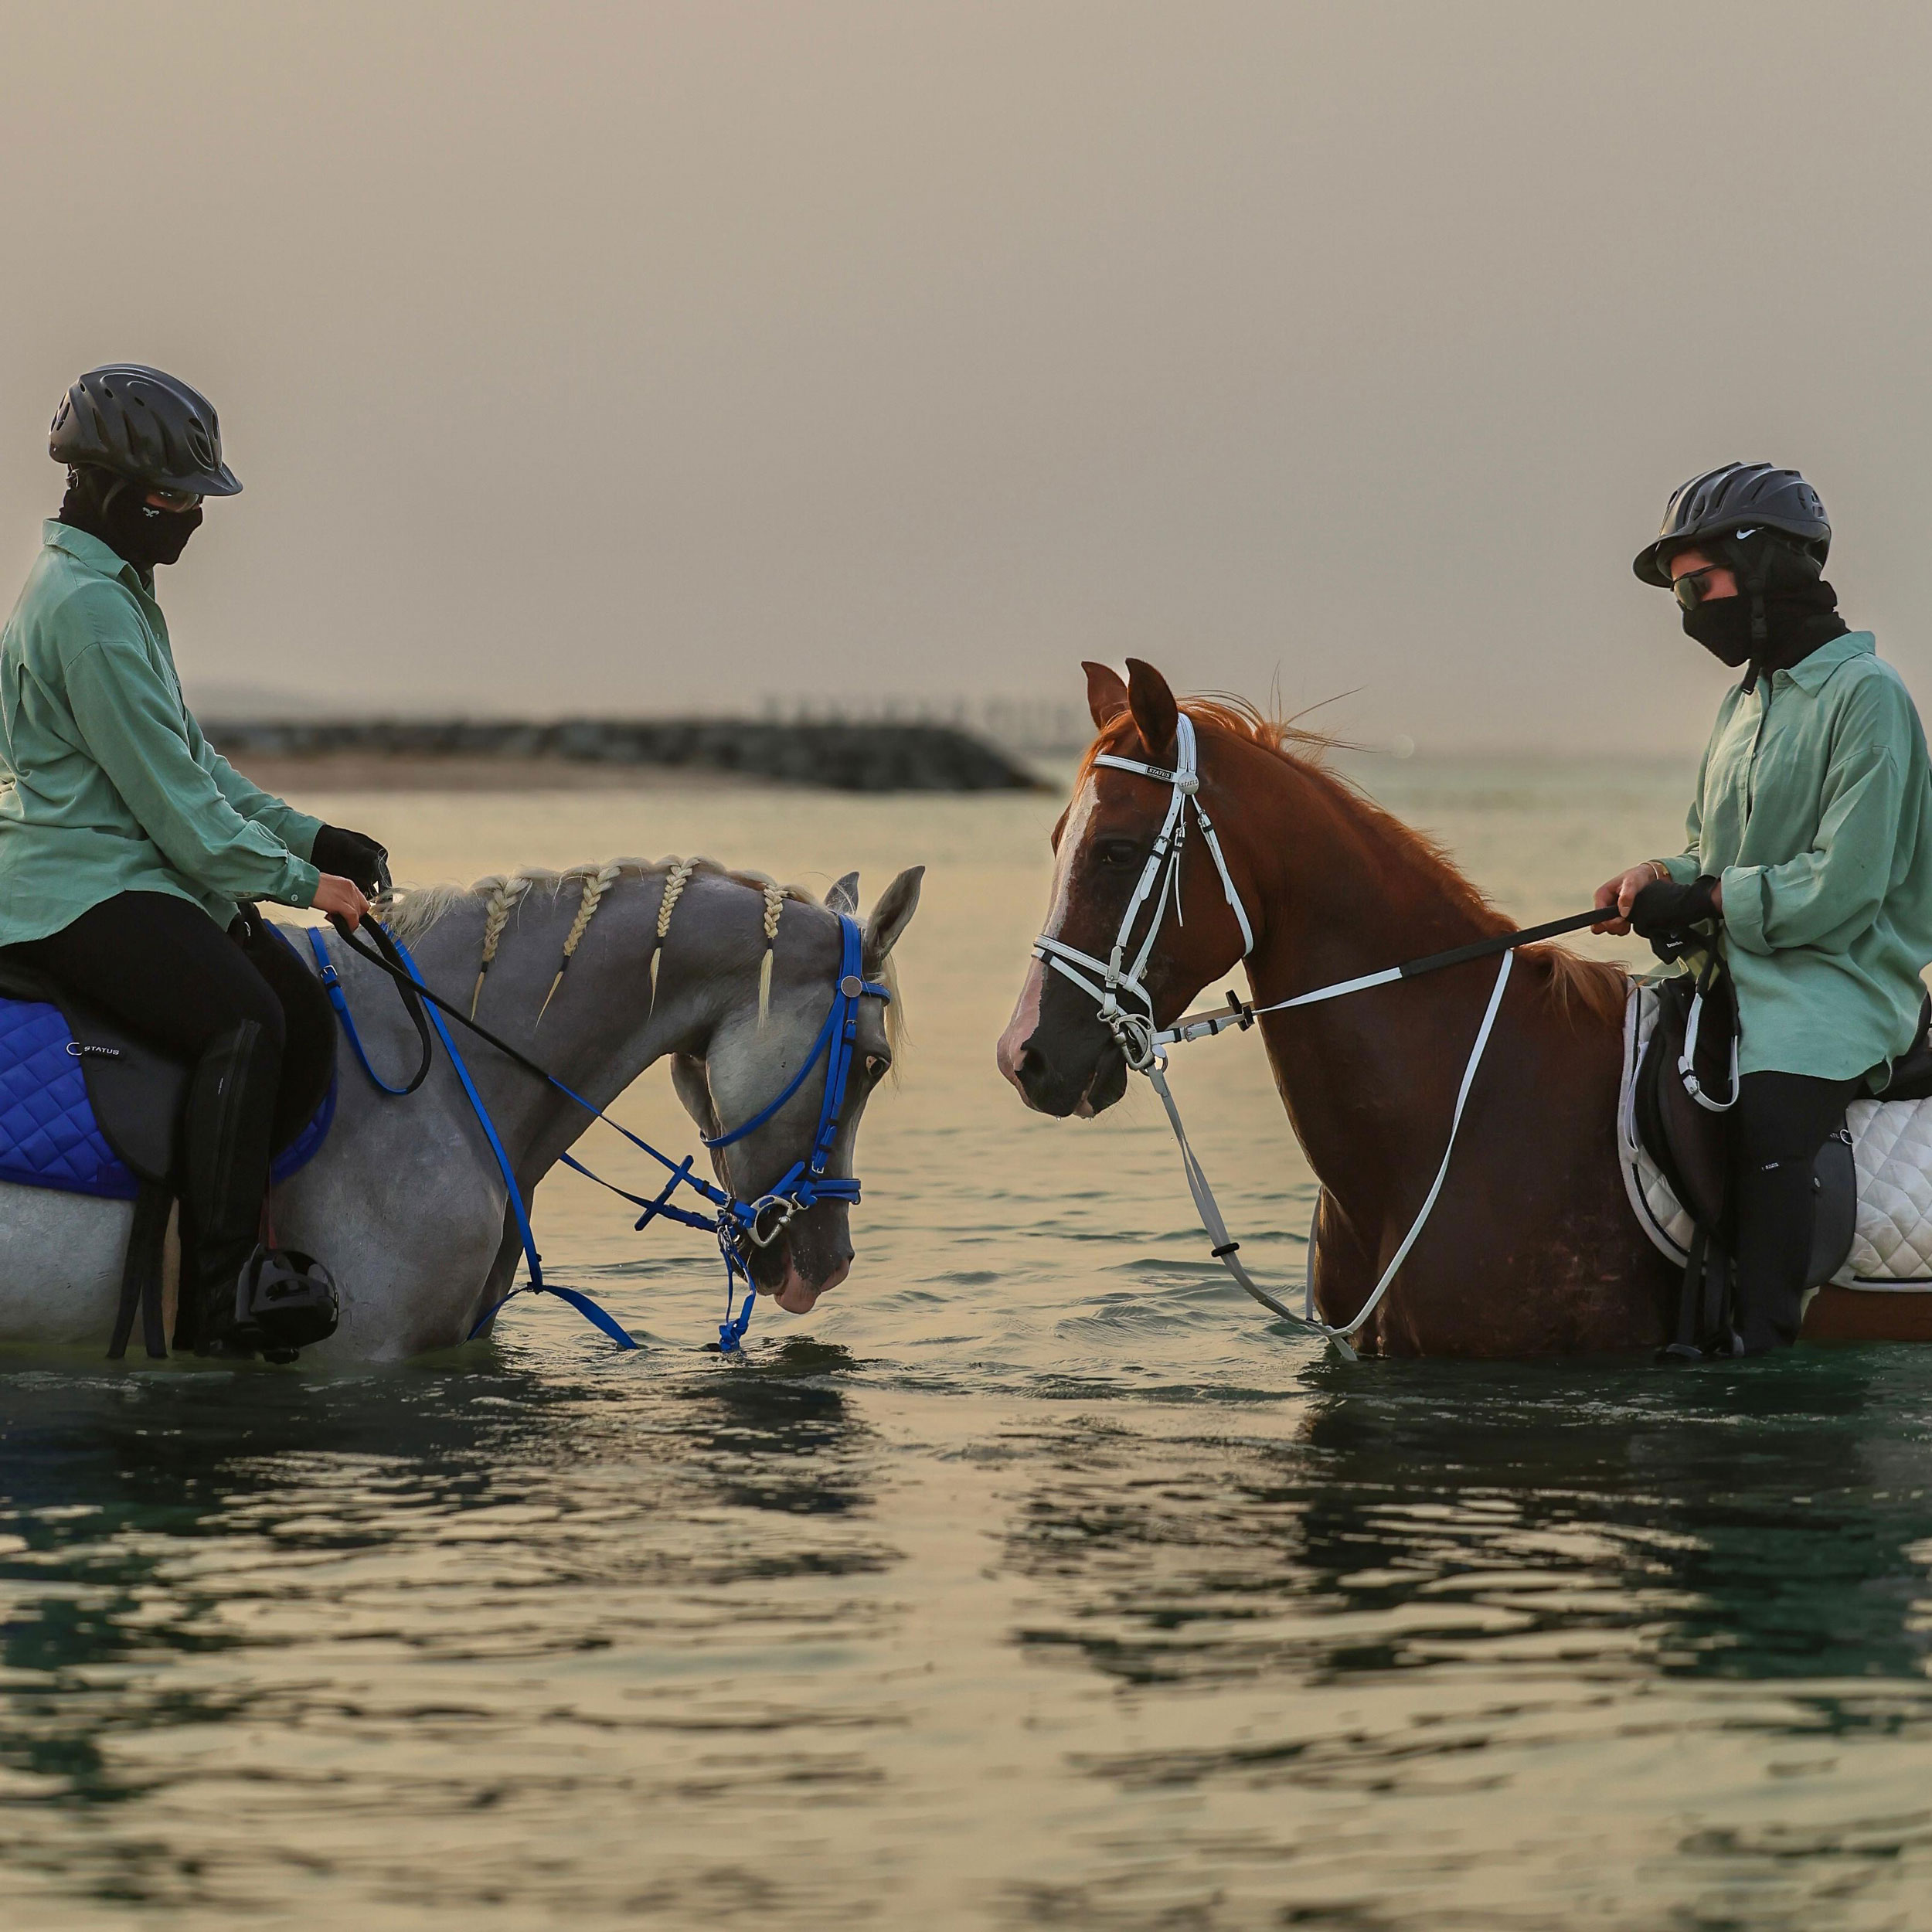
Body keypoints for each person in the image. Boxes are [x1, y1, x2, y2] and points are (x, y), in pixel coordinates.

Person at [0, 365, 388, 1353]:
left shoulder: (119, 592)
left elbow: (191, 760)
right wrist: (308, 887)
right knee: (246, 1018)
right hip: (77, 884)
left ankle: (246, 1237)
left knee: (299, 1005)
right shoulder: (84, 610)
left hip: (132, 867)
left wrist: (308, 834)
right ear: (106, 490)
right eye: (176, 499)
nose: (193, 521)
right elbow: (179, 816)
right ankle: (218, 1299)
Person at [1594, 461, 1932, 1351]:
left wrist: (1705, 895)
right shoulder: (1744, 704)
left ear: (1768, 565)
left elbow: (1842, 887)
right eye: (1679, 595)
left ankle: (1763, 1347)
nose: (1687, 613)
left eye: (1696, 586)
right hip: (1743, 963)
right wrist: (1652, 875)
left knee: (1773, 1113)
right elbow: (1712, 849)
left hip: (1839, 983)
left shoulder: (1870, 699)